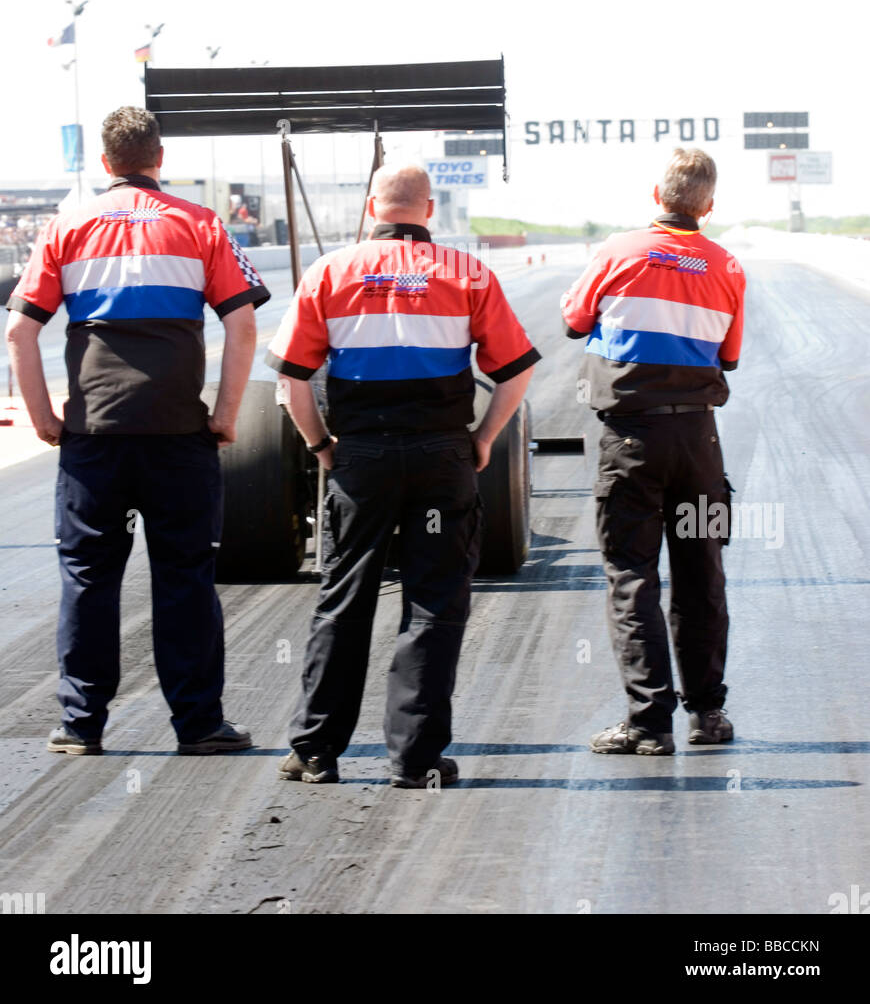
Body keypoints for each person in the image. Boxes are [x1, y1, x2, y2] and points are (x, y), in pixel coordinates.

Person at [4, 106, 271, 756]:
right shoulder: (201, 224)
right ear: (160, 159)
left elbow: (20, 329)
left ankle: (80, 725)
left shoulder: (67, 225)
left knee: (89, 575)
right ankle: (199, 724)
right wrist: (226, 415)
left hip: (94, 434)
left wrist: (43, 418)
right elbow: (242, 324)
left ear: (105, 163)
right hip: (178, 432)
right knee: (184, 575)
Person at [266, 163, 539, 788]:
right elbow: (516, 370)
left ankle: (315, 752)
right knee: (434, 605)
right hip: (443, 458)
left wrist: (322, 446)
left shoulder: (331, 272)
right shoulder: (469, 274)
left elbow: (291, 378)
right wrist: (483, 438)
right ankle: (415, 762)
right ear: (429, 209)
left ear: (372, 208)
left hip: (362, 460)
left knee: (343, 599)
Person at [560, 147, 746, 754]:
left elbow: (573, 317)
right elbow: (731, 357)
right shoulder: (729, 266)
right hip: (699, 443)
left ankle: (648, 725)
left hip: (632, 440)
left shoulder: (618, 250)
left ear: (655, 195)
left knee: (632, 576)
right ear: (708, 206)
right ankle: (709, 716)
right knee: (703, 574)